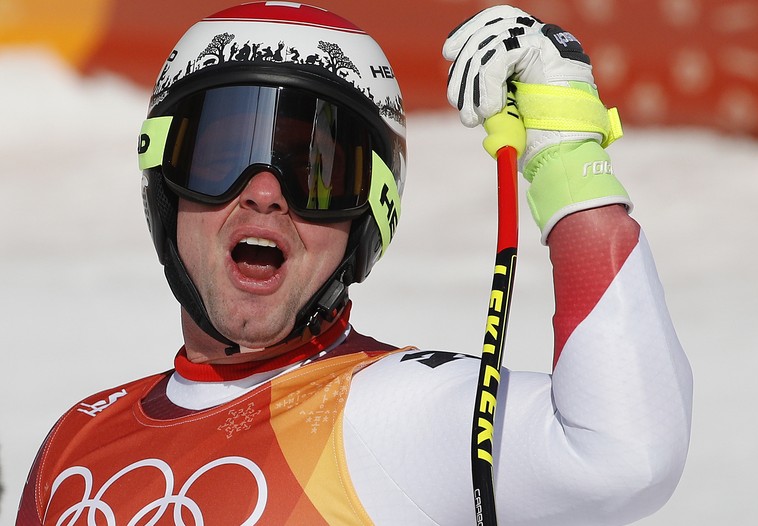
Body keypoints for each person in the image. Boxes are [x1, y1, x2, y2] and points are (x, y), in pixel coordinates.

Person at [17, 3, 692, 525]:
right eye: (218, 159)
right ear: (163, 183)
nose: (262, 191)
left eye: (313, 173)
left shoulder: (390, 410)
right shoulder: (78, 442)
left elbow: (624, 456)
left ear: (370, 213)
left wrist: (566, 152)